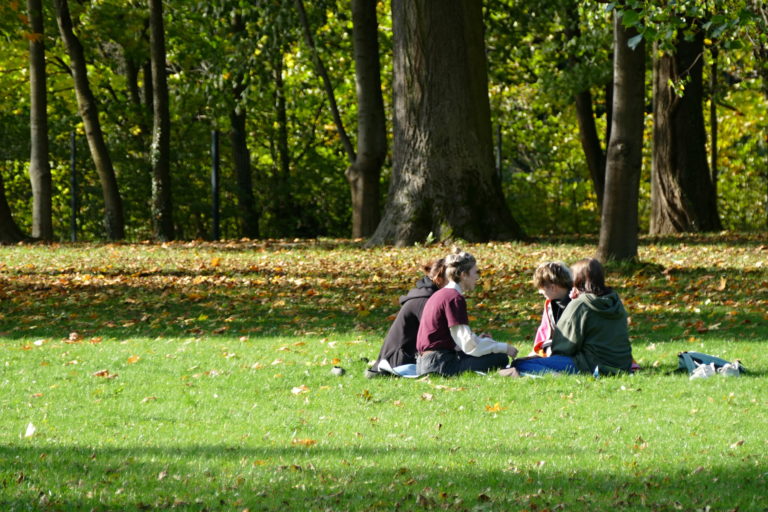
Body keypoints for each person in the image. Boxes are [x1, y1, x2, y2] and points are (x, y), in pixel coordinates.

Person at [503, 258, 633, 377]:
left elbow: (564, 347)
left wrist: (547, 354)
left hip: (591, 365)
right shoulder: (614, 300)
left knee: (520, 364)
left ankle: (555, 376)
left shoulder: (580, 304)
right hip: (623, 364)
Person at [416, 249, 518, 376]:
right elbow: (468, 344)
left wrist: (480, 341)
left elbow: (459, 338)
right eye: (475, 273)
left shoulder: (440, 294)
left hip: (424, 363)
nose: (477, 277)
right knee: (500, 358)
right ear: (463, 275)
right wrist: (504, 347)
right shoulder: (454, 298)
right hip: (439, 364)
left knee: (492, 354)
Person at [366, 258, 447, 378]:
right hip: (398, 362)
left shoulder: (426, 296)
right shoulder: (424, 301)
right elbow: (439, 336)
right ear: (439, 279)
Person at [530, 261, 573, 357]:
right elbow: (544, 332)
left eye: (541, 288)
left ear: (553, 287)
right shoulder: (550, 304)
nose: (540, 292)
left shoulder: (576, 303)